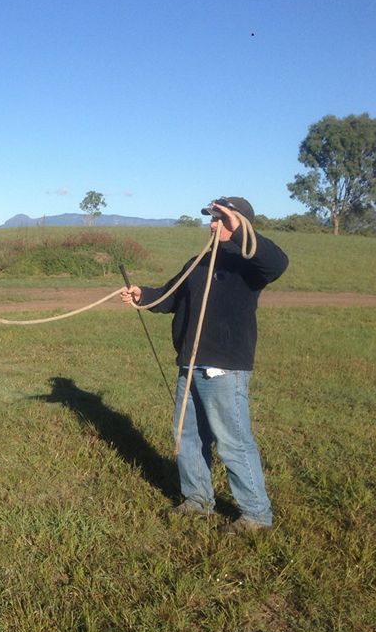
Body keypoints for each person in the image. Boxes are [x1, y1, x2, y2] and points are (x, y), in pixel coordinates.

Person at [121, 197, 289, 533]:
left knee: (232, 441)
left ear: (241, 224)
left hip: (223, 368)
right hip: (190, 364)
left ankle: (256, 514)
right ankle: (197, 500)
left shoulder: (248, 263)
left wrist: (239, 228)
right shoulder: (198, 262)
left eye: (221, 220)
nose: (213, 226)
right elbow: (171, 296)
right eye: (212, 220)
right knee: (187, 436)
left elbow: (277, 263)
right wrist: (143, 295)